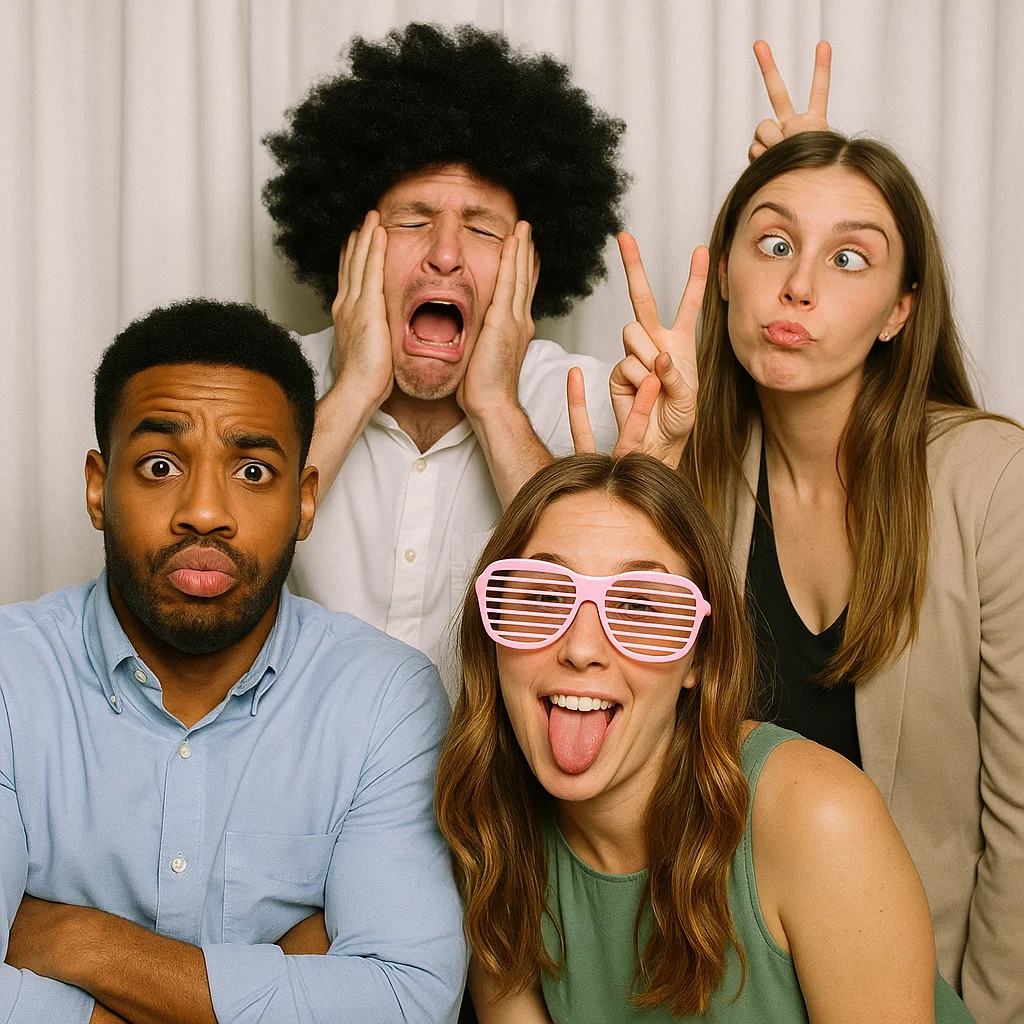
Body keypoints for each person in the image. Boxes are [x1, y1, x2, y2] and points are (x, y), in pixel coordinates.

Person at [578, 49, 1024, 1023]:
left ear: (900, 313)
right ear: (727, 273)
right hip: (717, 973)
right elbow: (587, 716)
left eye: (850, 259)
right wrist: (645, 472)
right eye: (771, 246)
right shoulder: (695, 477)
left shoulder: (993, 483)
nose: (799, 288)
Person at [0, 299, 465, 1023]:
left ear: (305, 502)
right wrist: (294, 975)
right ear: (98, 488)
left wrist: (80, 943)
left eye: (252, 470)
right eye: (160, 465)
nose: (206, 511)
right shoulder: (8, 678)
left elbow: (405, 1001)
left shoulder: (383, 700)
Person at [434, 453, 972, 1023]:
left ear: (698, 656)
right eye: (544, 595)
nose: (581, 647)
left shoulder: (817, 816)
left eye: (639, 605)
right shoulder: (488, 825)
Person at [260, 23, 653, 693]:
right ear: (354, 247)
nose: (445, 254)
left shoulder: (592, 402)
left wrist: (497, 405)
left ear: (529, 265)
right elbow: (225, 562)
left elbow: (605, 617)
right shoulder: (269, 388)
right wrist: (355, 388)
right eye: (413, 220)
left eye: (481, 229)